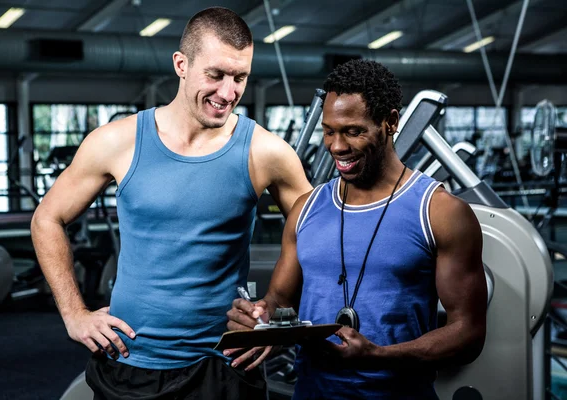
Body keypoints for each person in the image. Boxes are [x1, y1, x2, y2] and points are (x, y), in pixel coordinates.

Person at [30, 7, 312, 400]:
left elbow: (317, 231)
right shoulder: (117, 141)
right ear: (182, 64)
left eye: (240, 78)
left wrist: (280, 312)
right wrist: (73, 314)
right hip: (128, 362)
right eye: (215, 75)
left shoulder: (266, 152)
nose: (228, 92)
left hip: (224, 364)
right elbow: (47, 218)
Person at [226, 59, 487, 399]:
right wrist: (258, 317)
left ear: (390, 122)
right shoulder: (305, 209)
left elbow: (469, 333)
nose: (337, 146)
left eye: (353, 131)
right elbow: (279, 300)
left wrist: (379, 356)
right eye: (329, 131)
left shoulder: (441, 212)